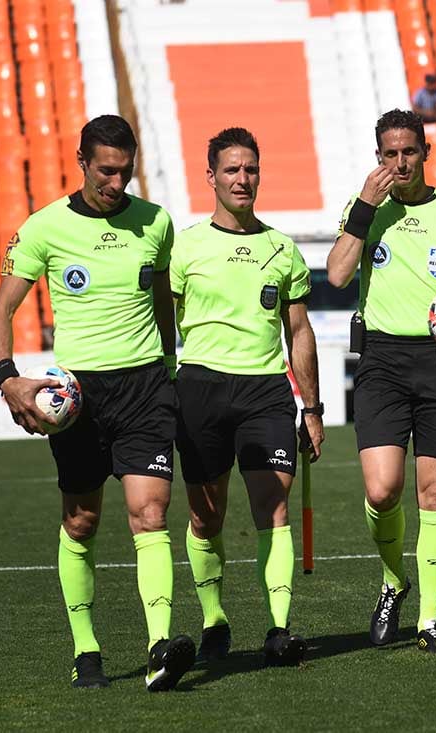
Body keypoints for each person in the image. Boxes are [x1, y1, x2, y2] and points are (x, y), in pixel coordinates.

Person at [0, 115, 195, 691]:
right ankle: (87, 651)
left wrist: (171, 371)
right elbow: (1, 310)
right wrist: (8, 379)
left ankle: (159, 647)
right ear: (82, 161)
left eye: (125, 171)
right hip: (77, 396)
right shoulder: (44, 228)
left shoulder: (156, 223)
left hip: (146, 388)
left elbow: (162, 304)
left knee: (150, 514)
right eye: (106, 170)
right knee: (81, 521)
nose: (116, 182)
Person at [326, 109, 436, 654]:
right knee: (381, 490)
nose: (399, 163)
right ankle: (392, 579)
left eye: (408, 152)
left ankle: (429, 620)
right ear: (378, 158)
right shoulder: (365, 212)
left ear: (426, 153)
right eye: (388, 154)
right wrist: (363, 208)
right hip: (381, 360)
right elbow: (335, 274)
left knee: (435, 490)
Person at [171, 127, 324, 668]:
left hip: (265, 392)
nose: (243, 178)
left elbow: (299, 333)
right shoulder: (183, 245)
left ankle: (279, 629)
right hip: (201, 387)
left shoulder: (282, 249)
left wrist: (311, 406)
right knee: (205, 518)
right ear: (210, 176)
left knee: (274, 507)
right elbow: (161, 325)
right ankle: (214, 619)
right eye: (232, 170)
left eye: (251, 169)